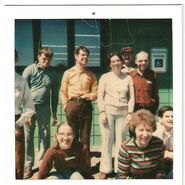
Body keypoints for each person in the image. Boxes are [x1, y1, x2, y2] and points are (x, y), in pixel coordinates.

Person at [22, 47, 59, 178]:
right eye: (44, 58)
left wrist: (54, 111)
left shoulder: (53, 74)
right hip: (29, 108)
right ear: (38, 57)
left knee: (45, 135)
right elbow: (22, 92)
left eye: (49, 59)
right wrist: (26, 111)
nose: (46, 61)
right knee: (28, 137)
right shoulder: (29, 70)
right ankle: (28, 165)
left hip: (44, 108)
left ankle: (45, 163)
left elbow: (55, 94)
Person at [60, 46, 97, 172]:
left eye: (86, 56)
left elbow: (95, 92)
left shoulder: (90, 74)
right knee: (71, 136)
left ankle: (85, 167)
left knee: (85, 137)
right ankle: (72, 165)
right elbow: (63, 92)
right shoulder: (68, 73)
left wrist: (89, 96)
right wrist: (66, 107)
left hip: (86, 106)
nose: (85, 57)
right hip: (72, 105)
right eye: (82, 55)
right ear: (76, 56)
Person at [97, 52, 135, 179]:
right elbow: (100, 97)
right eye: (113, 61)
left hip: (123, 113)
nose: (115, 63)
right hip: (108, 112)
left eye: (117, 60)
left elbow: (131, 98)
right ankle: (105, 169)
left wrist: (130, 113)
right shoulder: (104, 77)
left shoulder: (128, 78)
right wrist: (102, 111)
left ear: (122, 62)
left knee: (121, 142)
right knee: (107, 141)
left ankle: (120, 168)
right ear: (109, 64)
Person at [117, 109, 165, 179]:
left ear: (153, 130)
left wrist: (159, 176)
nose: (145, 134)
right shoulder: (125, 147)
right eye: (141, 130)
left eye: (148, 130)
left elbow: (160, 168)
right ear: (134, 130)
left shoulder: (159, 145)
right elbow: (123, 176)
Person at [15, 50, 35, 179]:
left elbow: (30, 108)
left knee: (17, 163)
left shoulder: (21, 81)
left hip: (15, 122)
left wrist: (18, 124)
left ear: (16, 60)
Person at [153, 105, 173, 179]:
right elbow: (156, 152)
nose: (171, 119)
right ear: (160, 119)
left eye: (172, 116)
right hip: (156, 165)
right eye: (167, 116)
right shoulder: (155, 132)